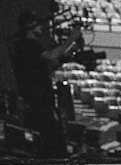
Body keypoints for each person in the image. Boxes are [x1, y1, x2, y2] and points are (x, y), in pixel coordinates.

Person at [7, 10, 77, 154]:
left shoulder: (27, 47)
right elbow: (52, 56)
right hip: (39, 103)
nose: (41, 27)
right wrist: (72, 38)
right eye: (36, 23)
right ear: (29, 26)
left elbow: (50, 64)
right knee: (54, 141)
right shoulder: (29, 45)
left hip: (40, 102)